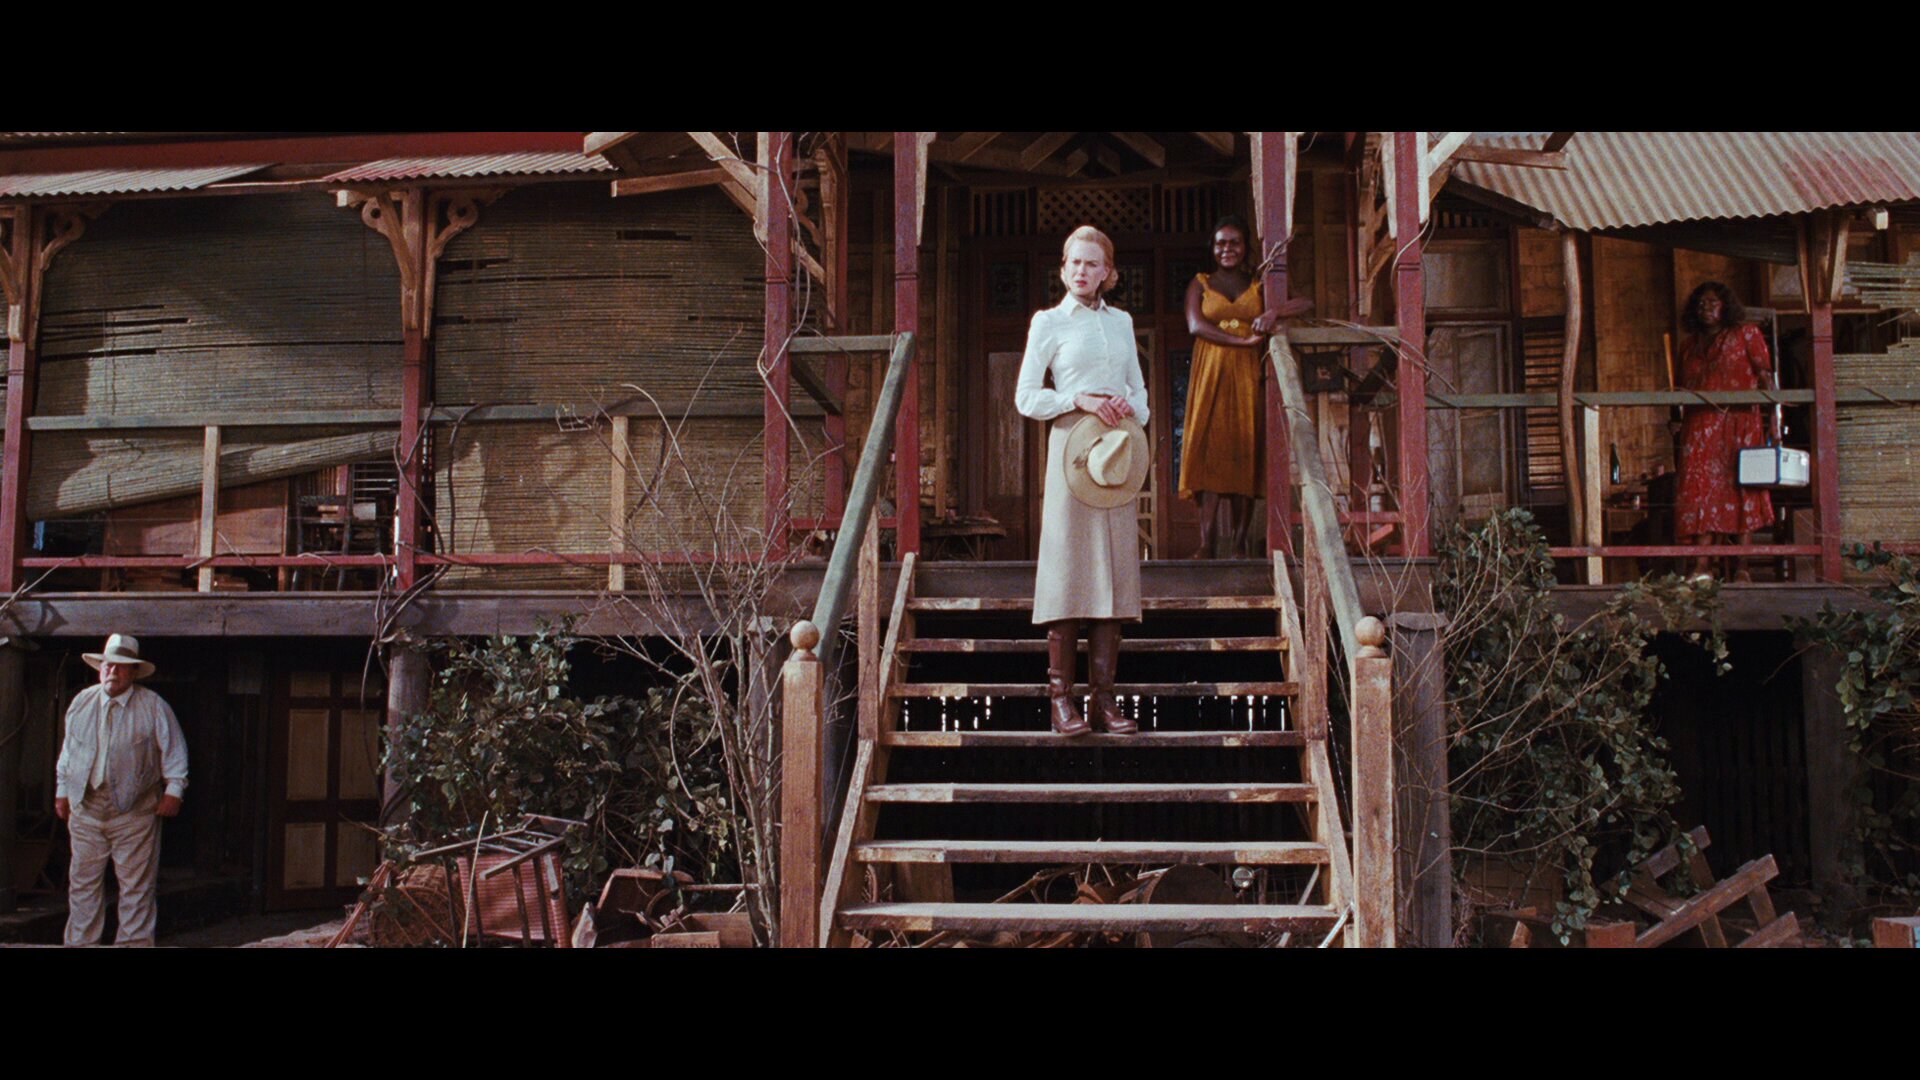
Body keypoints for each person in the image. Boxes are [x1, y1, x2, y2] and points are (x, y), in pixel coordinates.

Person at [1016, 225, 1151, 737]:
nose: (1081, 270)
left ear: (1107, 273)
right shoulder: (1048, 322)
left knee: (1112, 571)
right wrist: (1077, 398)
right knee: (1068, 569)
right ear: (1063, 268)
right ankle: (1061, 700)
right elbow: (1026, 397)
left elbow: (1140, 392)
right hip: (1072, 449)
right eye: (1074, 262)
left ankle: (1105, 701)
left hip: (1114, 452)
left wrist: (1125, 405)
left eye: (1092, 264)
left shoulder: (1122, 323)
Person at [1178, 215, 1312, 557]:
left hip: (1248, 374)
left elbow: (1306, 302)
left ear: (1245, 246)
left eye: (1234, 242)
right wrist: (1242, 341)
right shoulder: (1201, 283)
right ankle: (1207, 543)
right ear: (1212, 248)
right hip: (1210, 372)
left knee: (1244, 448)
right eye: (1221, 243)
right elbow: (1195, 325)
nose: (1227, 249)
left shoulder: (1259, 282)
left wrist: (1274, 313)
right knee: (1208, 450)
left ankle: (1239, 543)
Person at [53, 634, 186, 946]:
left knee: (136, 887)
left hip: (134, 811)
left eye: (121, 666)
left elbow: (175, 752)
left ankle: (133, 944)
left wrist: (174, 790)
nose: (112, 671)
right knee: (82, 885)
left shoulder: (154, 706)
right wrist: (62, 790)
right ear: (100, 668)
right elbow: (69, 751)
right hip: (87, 808)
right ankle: (81, 944)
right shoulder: (81, 702)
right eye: (108, 665)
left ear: (134, 672)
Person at [1673, 281, 1774, 580]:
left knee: (1743, 489)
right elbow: (1681, 388)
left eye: (1713, 302)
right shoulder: (1688, 345)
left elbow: (1766, 377)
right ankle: (1702, 566)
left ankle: (1742, 567)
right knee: (1699, 491)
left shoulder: (1746, 334)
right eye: (1701, 303)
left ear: (1726, 306)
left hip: (1739, 425)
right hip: (1699, 428)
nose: (1706, 308)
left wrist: (1775, 420)